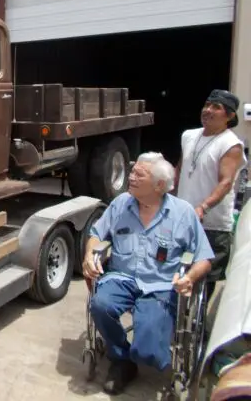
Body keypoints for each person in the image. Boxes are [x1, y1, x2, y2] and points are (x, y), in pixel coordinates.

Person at [83, 152, 214, 395]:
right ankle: (121, 360)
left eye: (138, 174)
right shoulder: (120, 204)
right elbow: (96, 234)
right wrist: (89, 256)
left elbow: (204, 258)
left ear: (159, 185)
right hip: (121, 278)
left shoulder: (183, 213)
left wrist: (190, 278)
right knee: (100, 304)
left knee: (149, 351)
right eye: (131, 172)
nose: (130, 177)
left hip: (161, 285)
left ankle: (141, 353)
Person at [175, 89, 247, 300]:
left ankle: (199, 327)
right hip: (183, 220)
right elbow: (180, 168)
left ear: (230, 116)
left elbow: (226, 182)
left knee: (205, 281)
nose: (208, 110)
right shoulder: (188, 135)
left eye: (216, 107)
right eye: (207, 105)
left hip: (212, 224)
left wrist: (203, 206)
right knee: (176, 271)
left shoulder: (231, 144)